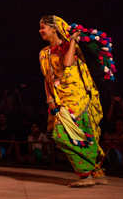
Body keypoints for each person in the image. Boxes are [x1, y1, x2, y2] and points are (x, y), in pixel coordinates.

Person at [38, 15, 107, 187]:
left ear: (54, 28)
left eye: (43, 27)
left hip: (77, 96)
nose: (40, 31)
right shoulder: (43, 53)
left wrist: (74, 40)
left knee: (65, 134)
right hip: (60, 99)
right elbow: (47, 78)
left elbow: (68, 63)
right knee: (72, 134)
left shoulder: (68, 46)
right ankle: (95, 171)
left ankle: (87, 174)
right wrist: (49, 99)